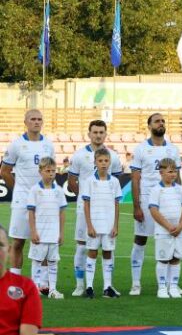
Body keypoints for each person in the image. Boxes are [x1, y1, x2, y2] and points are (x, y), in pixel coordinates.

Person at [129, 113, 182, 296]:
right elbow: (135, 179)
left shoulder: (173, 150)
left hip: (169, 202)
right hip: (147, 201)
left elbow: (178, 178)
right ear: (149, 125)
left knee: (172, 239)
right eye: (157, 121)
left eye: (163, 121)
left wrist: (180, 200)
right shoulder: (141, 149)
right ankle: (136, 283)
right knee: (141, 239)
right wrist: (136, 206)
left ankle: (171, 285)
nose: (161, 124)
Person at [68, 120, 122, 297]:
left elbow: (117, 182)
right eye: (95, 132)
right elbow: (71, 182)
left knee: (108, 247)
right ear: (89, 134)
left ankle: (109, 285)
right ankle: (80, 284)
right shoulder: (78, 156)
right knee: (82, 246)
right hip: (85, 208)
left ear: (106, 134)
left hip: (106, 212)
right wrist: (86, 199)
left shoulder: (113, 156)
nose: (98, 135)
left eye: (101, 132)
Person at [0, 110, 55, 283]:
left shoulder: (48, 145)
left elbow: (50, 171)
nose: (36, 122)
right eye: (33, 119)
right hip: (22, 200)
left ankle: (43, 283)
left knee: (44, 241)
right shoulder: (16, 145)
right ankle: (15, 280)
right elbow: (5, 171)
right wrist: (20, 189)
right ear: (25, 122)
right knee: (18, 242)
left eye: (39, 119)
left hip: (43, 200)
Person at [82, 148, 122, 299]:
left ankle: (107, 287)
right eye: (100, 161)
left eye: (106, 161)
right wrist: (89, 225)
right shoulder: (90, 181)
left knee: (107, 253)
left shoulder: (115, 182)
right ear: (95, 162)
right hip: (95, 225)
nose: (103, 164)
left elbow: (117, 204)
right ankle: (89, 287)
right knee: (92, 252)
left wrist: (116, 225)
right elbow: (86, 204)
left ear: (109, 162)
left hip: (109, 225)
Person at [148, 158, 182, 299]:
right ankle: (162, 287)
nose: (173, 174)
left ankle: (173, 286)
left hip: (179, 231)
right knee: (164, 258)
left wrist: (180, 226)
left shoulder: (180, 190)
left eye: (175, 171)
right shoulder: (156, 190)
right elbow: (154, 211)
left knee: (176, 258)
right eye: (170, 171)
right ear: (161, 172)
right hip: (163, 231)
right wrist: (168, 226)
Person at [26, 157, 66, 298]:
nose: (50, 173)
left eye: (53, 171)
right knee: (37, 260)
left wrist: (61, 233)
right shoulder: (35, 190)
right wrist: (33, 231)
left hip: (53, 234)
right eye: (47, 170)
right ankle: (34, 288)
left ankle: (52, 290)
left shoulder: (59, 191)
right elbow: (31, 212)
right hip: (40, 234)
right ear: (40, 171)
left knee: (53, 261)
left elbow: (62, 213)